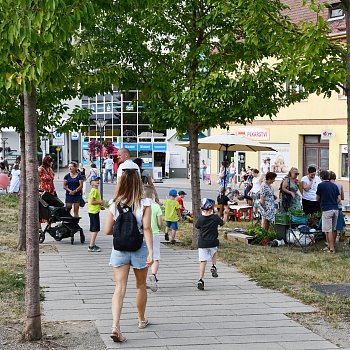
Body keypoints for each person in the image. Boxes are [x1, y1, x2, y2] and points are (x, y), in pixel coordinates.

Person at [104, 167, 153, 342]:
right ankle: (141, 319)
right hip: (139, 247)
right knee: (140, 286)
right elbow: (147, 228)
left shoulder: (114, 203)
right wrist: (151, 252)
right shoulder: (145, 203)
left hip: (119, 249)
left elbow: (107, 230)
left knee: (119, 288)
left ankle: (115, 326)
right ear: (139, 183)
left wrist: (122, 230)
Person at [195, 198, 228, 291]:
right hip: (213, 242)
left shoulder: (200, 219)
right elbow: (223, 223)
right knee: (214, 252)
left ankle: (201, 279)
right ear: (211, 208)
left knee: (203, 261)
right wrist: (225, 214)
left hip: (202, 243)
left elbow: (197, 226)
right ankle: (214, 266)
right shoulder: (215, 217)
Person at [316, 170, 340, 254]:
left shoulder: (320, 185)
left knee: (328, 230)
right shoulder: (334, 186)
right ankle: (329, 246)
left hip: (327, 209)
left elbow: (317, 198)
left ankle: (332, 248)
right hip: (335, 209)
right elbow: (339, 199)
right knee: (333, 229)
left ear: (321, 177)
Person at [144, 185, 163, 292]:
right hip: (154, 234)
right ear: (152, 195)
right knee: (155, 257)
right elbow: (160, 223)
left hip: (142, 235)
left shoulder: (141, 206)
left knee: (145, 256)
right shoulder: (156, 207)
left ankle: (143, 279)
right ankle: (153, 274)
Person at [88, 176, 104, 253]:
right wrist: (100, 202)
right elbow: (92, 202)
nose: (97, 181)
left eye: (98, 180)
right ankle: (91, 245)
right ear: (91, 183)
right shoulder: (94, 190)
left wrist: (100, 206)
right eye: (95, 180)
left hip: (93, 211)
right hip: (94, 212)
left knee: (93, 228)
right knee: (95, 229)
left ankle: (92, 243)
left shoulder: (94, 190)